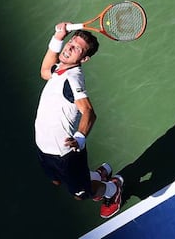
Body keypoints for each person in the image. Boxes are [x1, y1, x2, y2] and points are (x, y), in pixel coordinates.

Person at [34, 22, 124, 219]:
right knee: (56, 180)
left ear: (84, 58)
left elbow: (89, 112)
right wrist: (58, 37)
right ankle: (93, 176)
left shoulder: (72, 79)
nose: (69, 47)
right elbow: (44, 71)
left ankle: (111, 189)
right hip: (44, 147)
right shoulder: (59, 69)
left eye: (77, 48)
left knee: (81, 195)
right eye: (71, 42)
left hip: (65, 154)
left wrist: (80, 138)